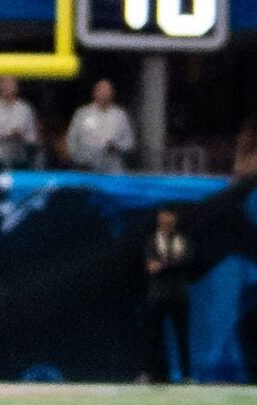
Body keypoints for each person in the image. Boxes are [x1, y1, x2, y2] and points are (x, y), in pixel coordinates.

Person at [143, 207, 193, 382]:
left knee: (182, 336)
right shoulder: (151, 241)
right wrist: (173, 264)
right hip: (157, 296)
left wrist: (163, 265)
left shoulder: (182, 240)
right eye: (163, 220)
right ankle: (150, 373)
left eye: (169, 220)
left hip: (179, 295)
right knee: (152, 336)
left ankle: (186, 374)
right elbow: (150, 267)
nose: (166, 223)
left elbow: (186, 261)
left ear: (175, 220)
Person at [0, 76, 43, 170]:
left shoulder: (25, 109)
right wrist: (4, 134)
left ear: (17, 86)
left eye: (10, 83)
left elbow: (34, 139)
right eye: (3, 82)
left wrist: (21, 136)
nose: (7, 86)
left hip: (20, 163)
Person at [66, 79, 135, 172]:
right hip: (86, 167)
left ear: (112, 93)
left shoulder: (120, 115)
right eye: (101, 90)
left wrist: (117, 146)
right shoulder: (83, 113)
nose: (104, 93)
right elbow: (71, 138)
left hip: (113, 170)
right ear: (94, 92)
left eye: (108, 90)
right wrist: (76, 159)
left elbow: (129, 142)